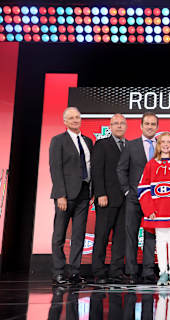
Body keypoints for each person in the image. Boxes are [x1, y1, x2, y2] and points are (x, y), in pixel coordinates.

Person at [137, 132, 170, 286]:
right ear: (158, 145)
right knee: (160, 242)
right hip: (157, 213)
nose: (166, 145)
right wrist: (149, 210)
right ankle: (162, 273)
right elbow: (143, 188)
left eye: (169, 142)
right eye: (163, 142)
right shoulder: (151, 164)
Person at [49, 107, 93, 286]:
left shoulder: (88, 141)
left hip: (84, 193)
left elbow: (91, 167)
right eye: (71, 118)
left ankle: (74, 272)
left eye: (77, 117)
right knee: (59, 235)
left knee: (78, 235)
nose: (75, 120)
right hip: (65, 195)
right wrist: (60, 194)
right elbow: (55, 168)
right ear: (65, 121)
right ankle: (58, 272)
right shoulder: (58, 140)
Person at [117, 112, 158, 284]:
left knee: (151, 236)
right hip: (134, 197)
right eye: (147, 123)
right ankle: (132, 271)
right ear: (141, 126)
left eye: (153, 124)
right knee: (131, 235)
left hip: (155, 198)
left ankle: (148, 271)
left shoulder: (162, 146)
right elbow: (121, 169)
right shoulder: (131, 146)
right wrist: (127, 191)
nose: (150, 126)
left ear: (157, 127)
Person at [91, 113, 128, 284]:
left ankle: (116, 271)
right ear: (110, 126)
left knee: (120, 238)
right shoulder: (102, 144)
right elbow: (97, 171)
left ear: (126, 126)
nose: (119, 126)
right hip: (106, 198)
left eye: (122, 123)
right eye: (116, 123)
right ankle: (98, 271)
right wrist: (100, 193)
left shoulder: (129, 146)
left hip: (126, 199)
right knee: (102, 235)